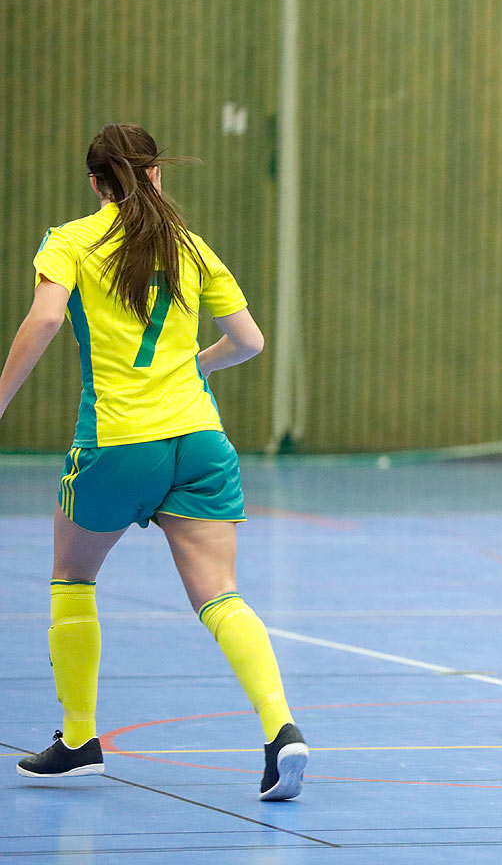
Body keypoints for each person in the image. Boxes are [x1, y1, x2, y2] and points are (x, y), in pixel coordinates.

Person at [0, 124, 308, 801]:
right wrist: (194, 365)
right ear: (156, 175)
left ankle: (79, 738)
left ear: (95, 184)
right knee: (220, 596)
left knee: (72, 576)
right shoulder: (191, 248)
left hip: (120, 442)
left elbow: (47, 320)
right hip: (200, 440)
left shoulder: (73, 240)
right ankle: (281, 728)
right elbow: (248, 341)